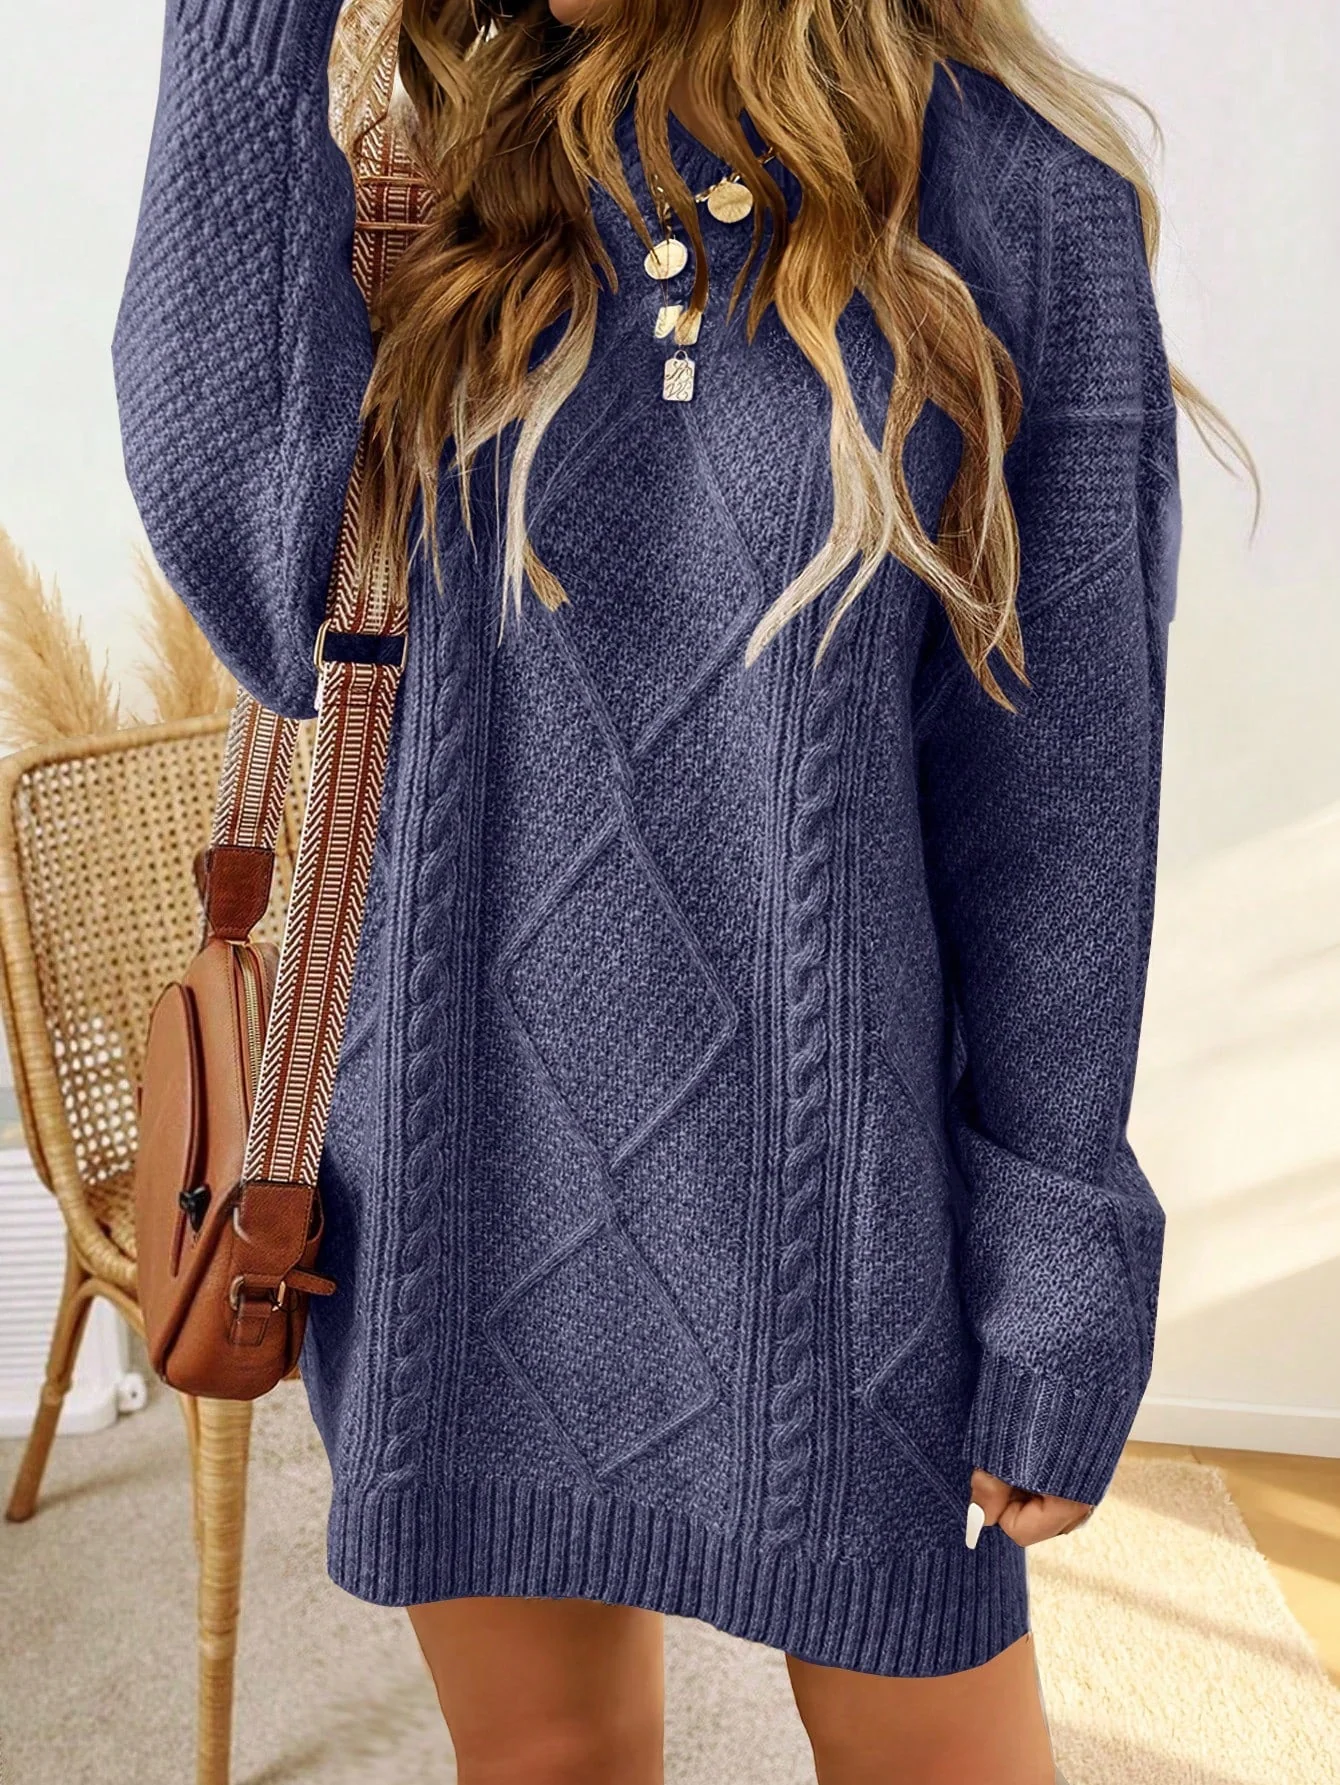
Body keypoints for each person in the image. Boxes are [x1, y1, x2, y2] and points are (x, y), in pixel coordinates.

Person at [110, 0, 1247, 1778]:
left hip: (848, 1223)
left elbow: (1061, 811)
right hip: (461, 1175)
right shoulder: (430, 167)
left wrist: (1057, 1250)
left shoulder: (1017, 200)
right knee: (548, 1757)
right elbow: (268, 598)